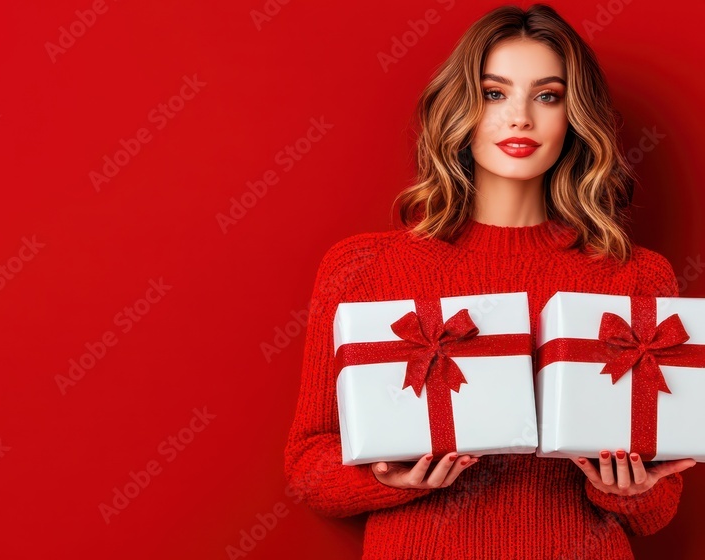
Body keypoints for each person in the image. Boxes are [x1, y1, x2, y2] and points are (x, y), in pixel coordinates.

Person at [283, 4, 695, 559]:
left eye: (547, 96)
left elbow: (661, 507)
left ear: (575, 116)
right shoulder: (363, 267)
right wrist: (385, 477)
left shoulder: (635, 274)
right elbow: (308, 467)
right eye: (495, 93)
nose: (520, 117)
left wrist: (627, 492)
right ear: (461, 109)